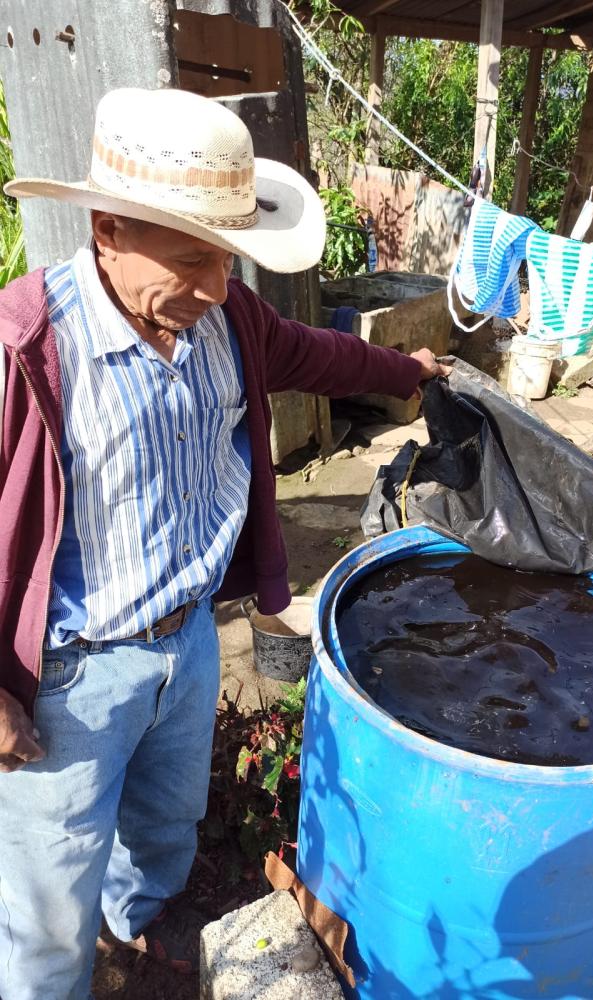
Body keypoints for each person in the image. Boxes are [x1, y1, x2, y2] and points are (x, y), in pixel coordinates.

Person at [0, 86, 448, 1000]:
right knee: (47, 895)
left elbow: (318, 353)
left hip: (191, 636)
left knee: (167, 824)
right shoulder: (25, 349)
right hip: (70, 676)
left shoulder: (225, 321)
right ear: (110, 231)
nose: (214, 286)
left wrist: (409, 370)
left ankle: (131, 931)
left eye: (228, 261)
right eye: (192, 258)